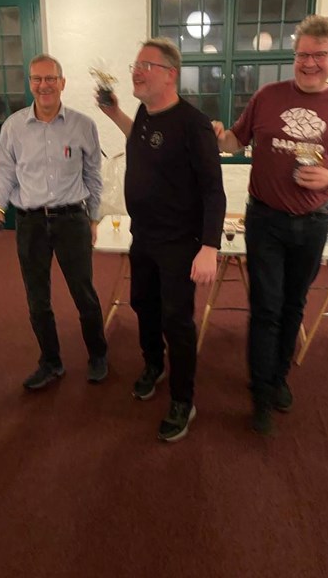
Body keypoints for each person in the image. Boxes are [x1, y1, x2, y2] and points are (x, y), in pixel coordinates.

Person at [213, 15, 328, 435]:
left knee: (293, 305)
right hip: (265, 219)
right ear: (294, 55)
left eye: (319, 55)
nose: (309, 63)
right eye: (302, 54)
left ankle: (278, 376)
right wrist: (219, 135)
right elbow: (236, 141)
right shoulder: (268, 95)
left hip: (313, 222)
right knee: (266, 307)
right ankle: (261, 392)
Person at [99, 38, 226, 442]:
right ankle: (154, 365)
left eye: (146, 66)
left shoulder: (194, 124)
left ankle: (183, 400)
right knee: (143, 305)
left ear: (170, 74)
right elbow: (142, 140)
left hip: (179, 243)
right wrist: (114, 112)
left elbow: (213, 190)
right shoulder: (145, 113)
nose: (136, 71)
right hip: (144, 237)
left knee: (177, 320)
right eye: (135, 65)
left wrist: (209, 247)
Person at [0, 54, 108, 389]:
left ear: (62, 83)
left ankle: (98, 354)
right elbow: (3, 175)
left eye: (50, 78)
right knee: (37, 299)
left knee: (84, 293)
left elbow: (93, 177)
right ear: (30, 83)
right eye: (37, 78)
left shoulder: (83, 125)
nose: (44, 85)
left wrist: (93, 217)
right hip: (30, 223)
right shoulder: (13, 127)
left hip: (72, 220)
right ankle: (51, 362)